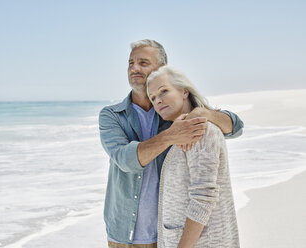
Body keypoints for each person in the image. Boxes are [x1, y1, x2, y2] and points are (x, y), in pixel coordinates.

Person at [99, 39, 243, 248]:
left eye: (143, 62)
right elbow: (125, 159)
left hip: (168, 234)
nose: (134, 68)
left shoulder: (175, 112)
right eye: (131, 63)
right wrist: (171, 135)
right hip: (123, 234)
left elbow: (235, 127)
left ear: (162, 68)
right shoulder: (112, 115)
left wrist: (203, 113)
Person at [147, 65, 240, 248]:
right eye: (153, 98)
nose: (158, 101)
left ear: (184, 92)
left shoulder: (202, 132)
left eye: (163, 91)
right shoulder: (178, 134)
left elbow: (203, 198)